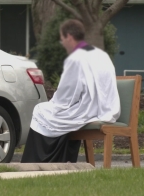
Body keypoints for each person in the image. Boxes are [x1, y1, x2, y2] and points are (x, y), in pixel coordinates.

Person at [21, 19, 120, 163]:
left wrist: (53, 103)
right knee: (51, 113)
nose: (63, 44)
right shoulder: (100, 54)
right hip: (105, 108)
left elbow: (66, 96)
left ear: (69, 37)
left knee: (40, 110)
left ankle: (41, 162)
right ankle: (62, 159)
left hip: (86, 109)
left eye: (62, 40)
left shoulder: (76, 59)